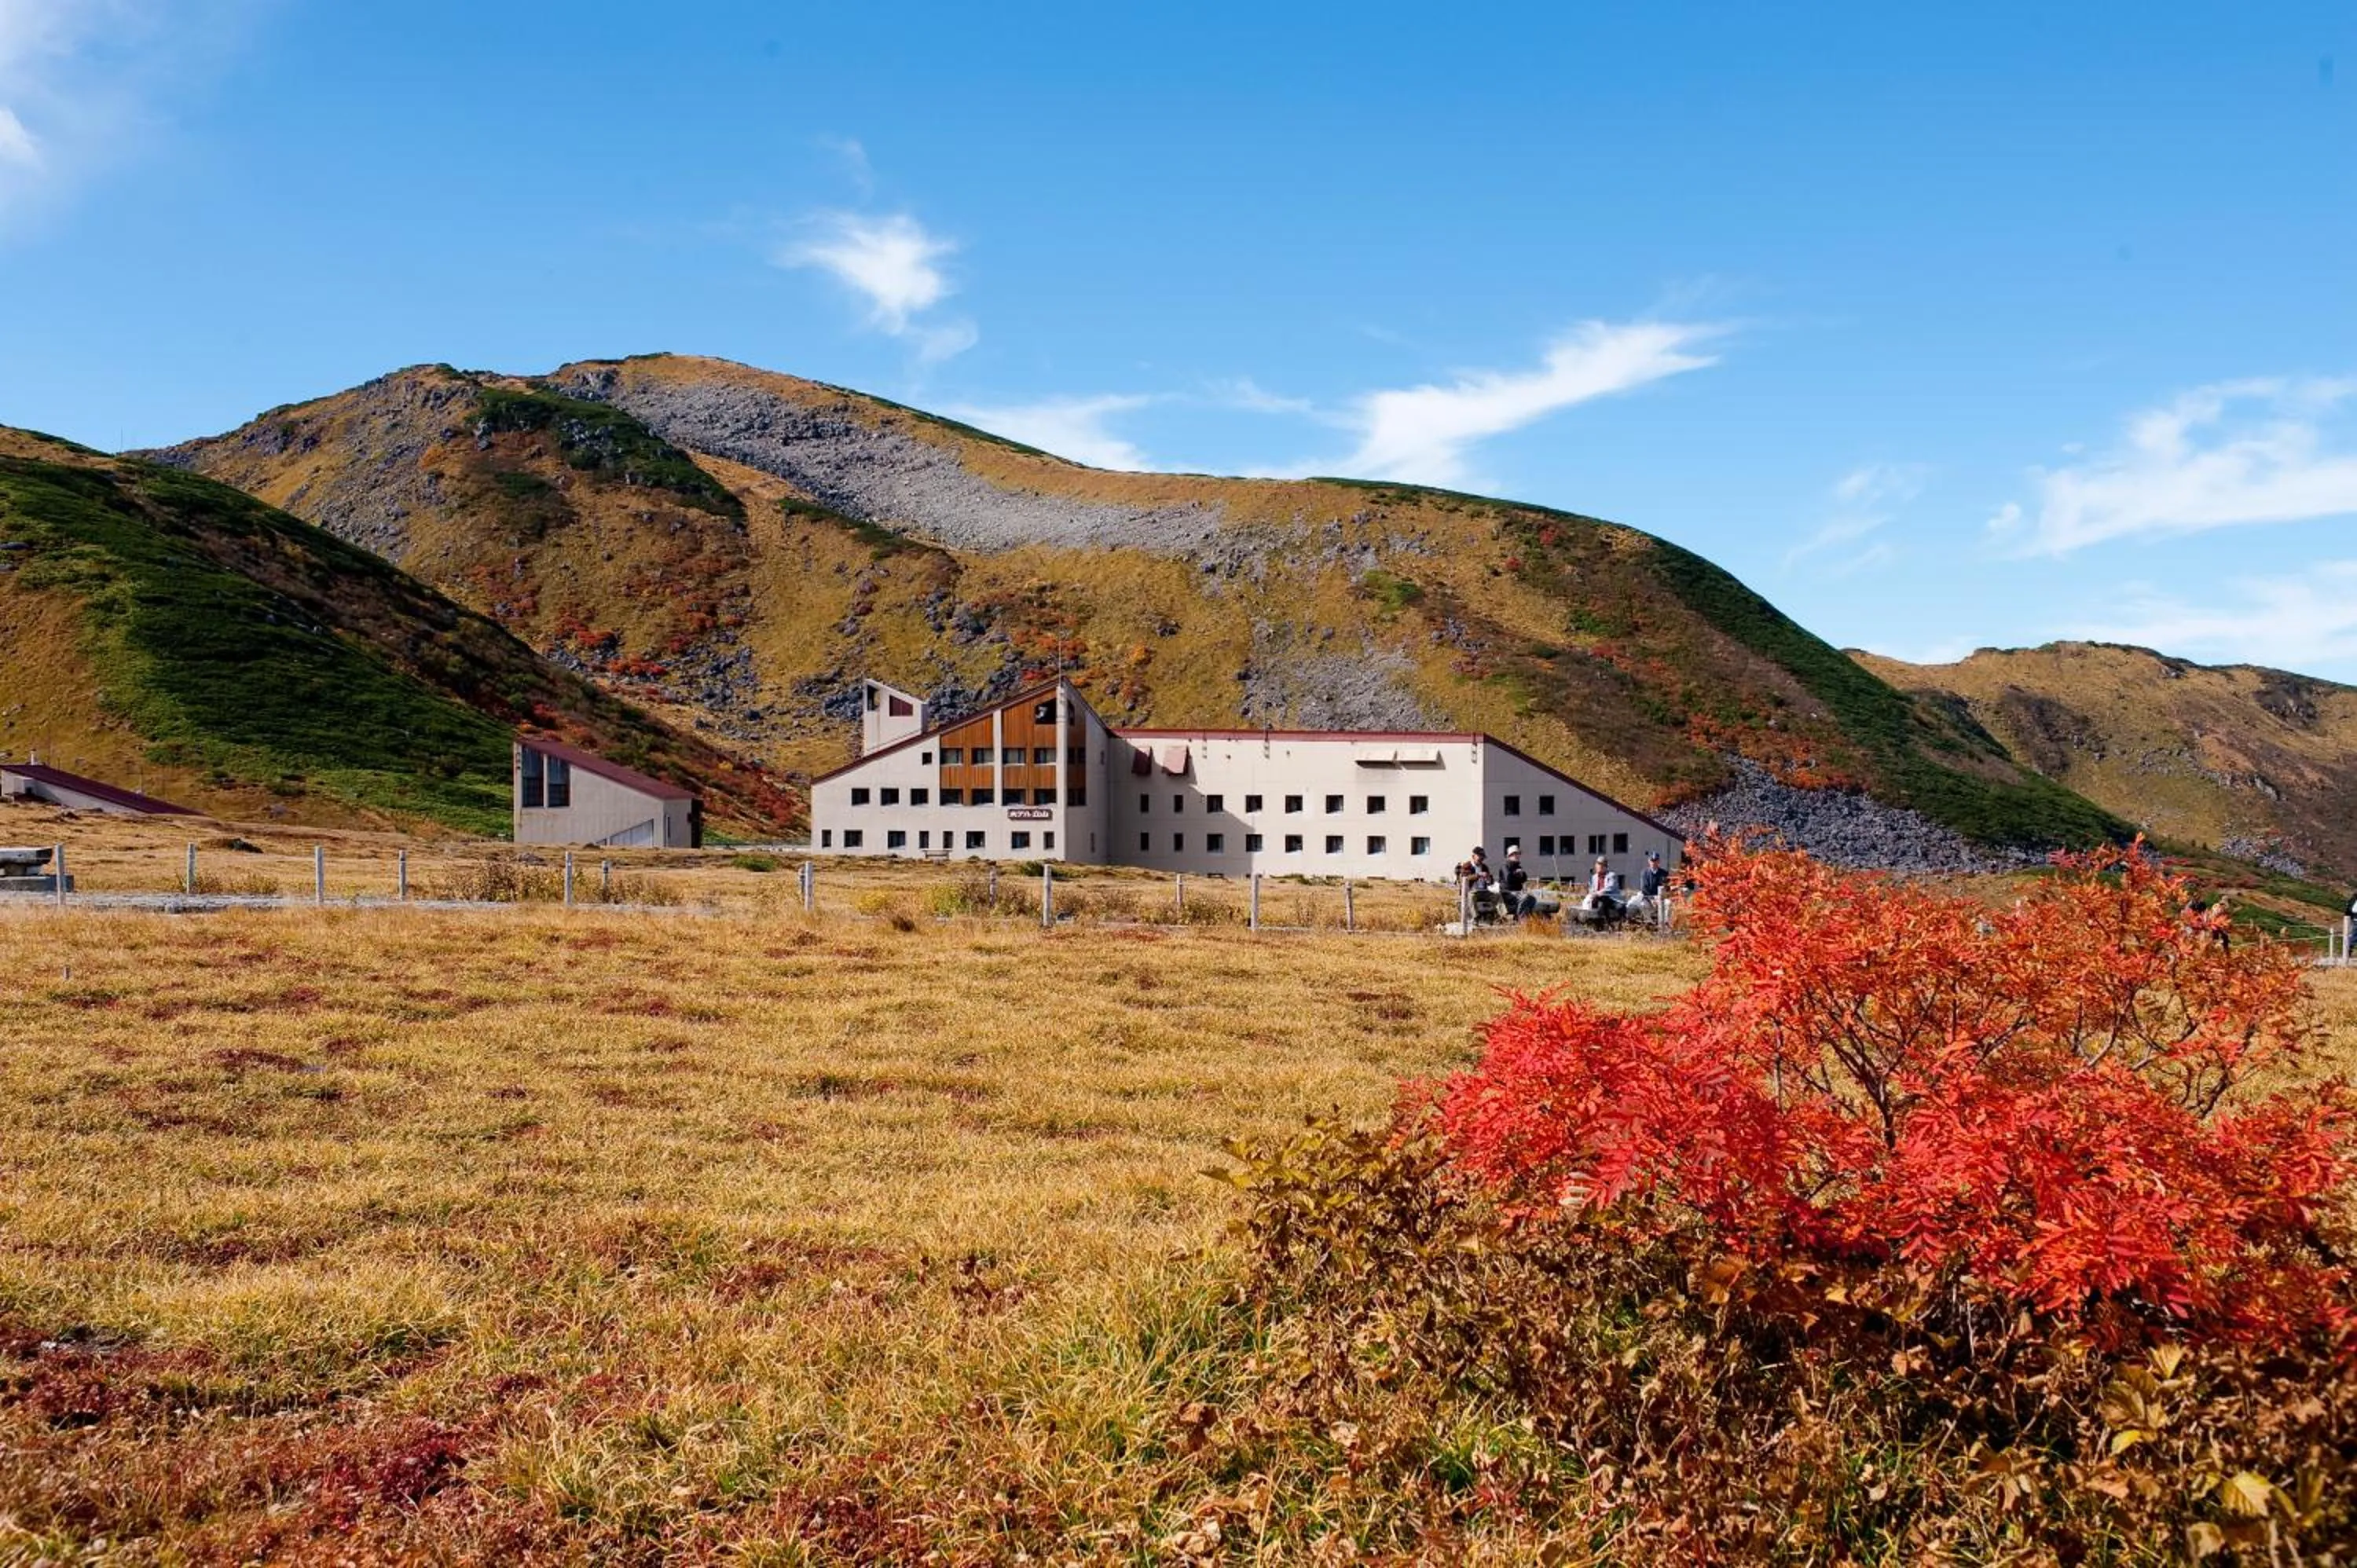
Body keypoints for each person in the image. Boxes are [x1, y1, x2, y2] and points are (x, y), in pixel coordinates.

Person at [1501, 845, 1534, 918]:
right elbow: (1509, 879)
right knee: (1526, 897)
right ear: (1510, 856)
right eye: (1515, 854)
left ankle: (1521, 917)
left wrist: (1521, 875)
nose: (1518, 856)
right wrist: (1517, 875)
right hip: (1507, 893)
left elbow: (1524, 879)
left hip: (1518, 892)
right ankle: (1520, 918)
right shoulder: (1505, 867)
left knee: (1532, 899)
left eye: (1518, 854)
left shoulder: (1518, 867)